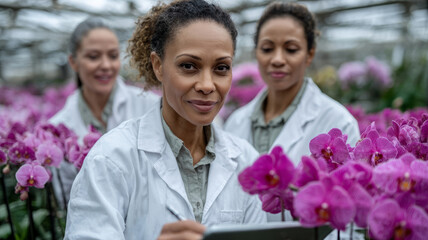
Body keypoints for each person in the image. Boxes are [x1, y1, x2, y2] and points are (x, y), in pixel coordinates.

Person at [64, 0, 266, 239]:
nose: (206, 85)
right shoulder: (111, 159)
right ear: (158, 66)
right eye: (189, 66)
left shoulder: (247, 161)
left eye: (221, 68)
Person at [224, 1, 360, 220]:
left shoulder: (338, 122)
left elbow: (344, 216)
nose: (277, 59)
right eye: (267, 49)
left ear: (309, 54)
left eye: (291, 49)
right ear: (256, 52)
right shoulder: (236, 122)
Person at [49, 17, 160, 208]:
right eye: (93, 56)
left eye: (113, 55)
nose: (106, 65)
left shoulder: (150, 104)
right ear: (73, 62)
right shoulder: (59, 127)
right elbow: (66, 196)